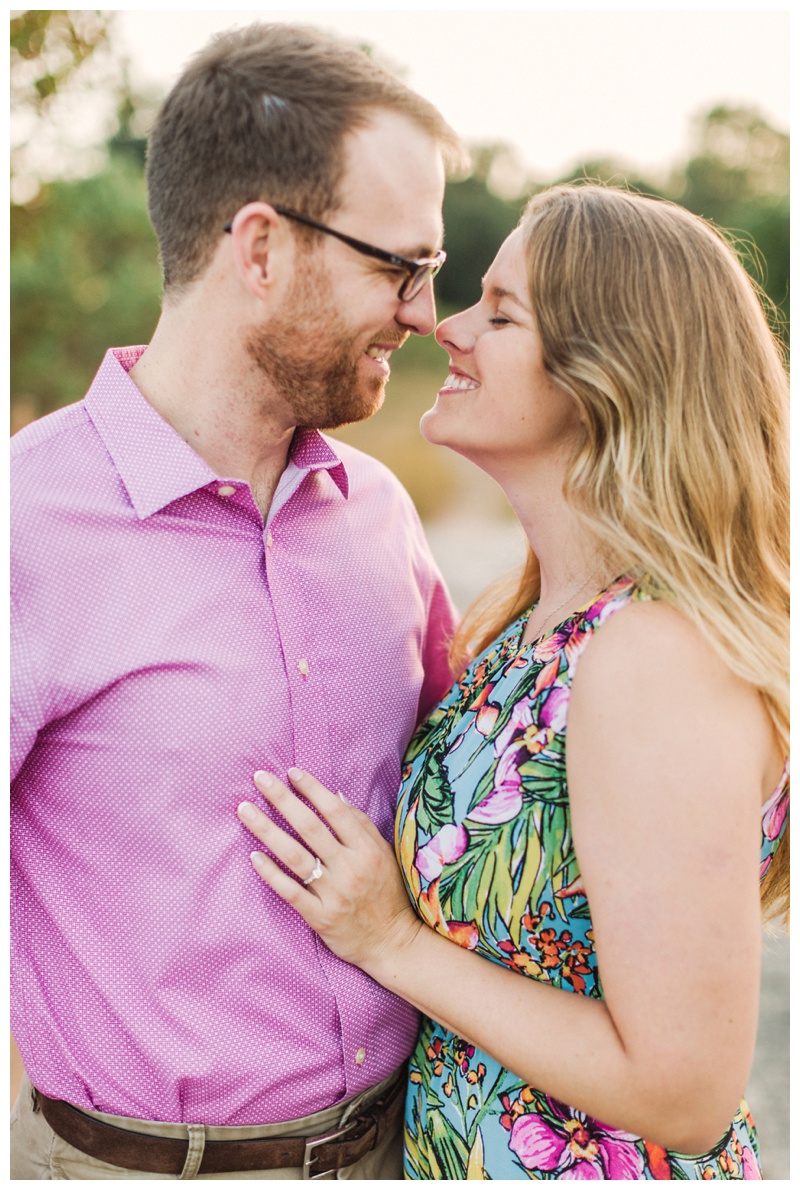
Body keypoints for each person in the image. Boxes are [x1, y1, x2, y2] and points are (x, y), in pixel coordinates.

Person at [237, 183, 790, 1180]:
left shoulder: (652, 656)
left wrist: (389, 940)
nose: (444, 328)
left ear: (607, 369)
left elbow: (683, 1091)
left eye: (498, 312)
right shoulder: (528, 620)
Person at [10, 22, 467, 1180]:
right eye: (397, 264)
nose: (422, 311)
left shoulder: (380, 510)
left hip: (405, 1148)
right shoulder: (24, 525)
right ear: (258, 246)